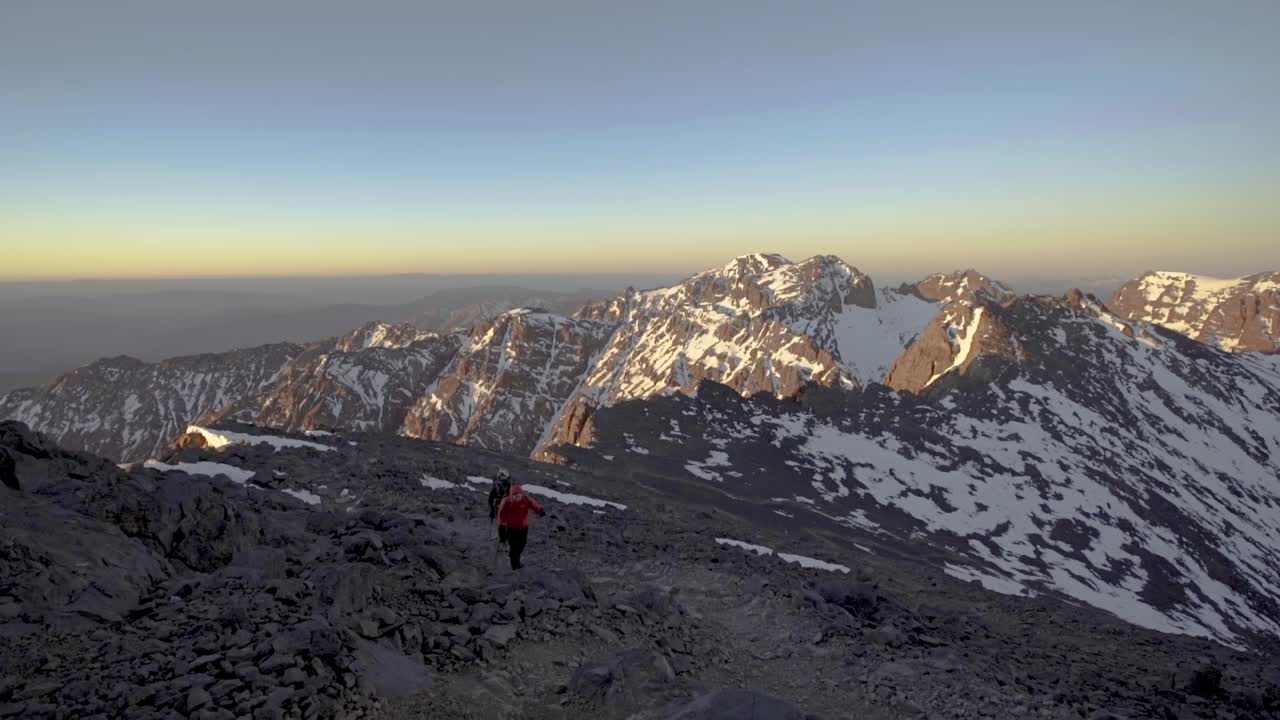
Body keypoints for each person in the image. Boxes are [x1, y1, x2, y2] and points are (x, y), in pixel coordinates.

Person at [496, 484, 545, 570]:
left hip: (523, 527)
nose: (517, 497)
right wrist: (502, 527)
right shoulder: (506, 501)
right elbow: (501, 515)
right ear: (511, 496)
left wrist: (539, 510)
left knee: (522, 544)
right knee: (514, 546)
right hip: (511, 528)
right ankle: (514, 565)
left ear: (521, 494)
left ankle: (516, 560)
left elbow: (533, 504)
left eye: (518, 495)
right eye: (515, 496)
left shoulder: (525, 498)